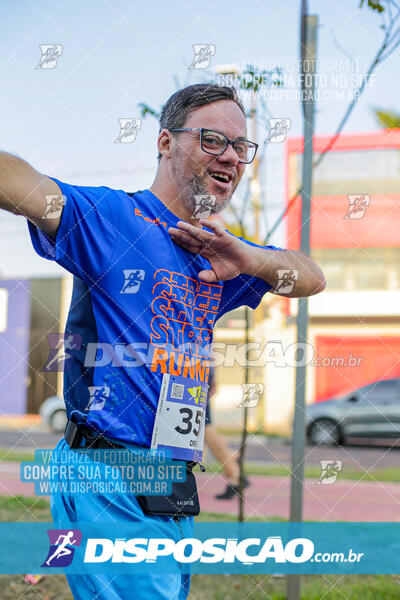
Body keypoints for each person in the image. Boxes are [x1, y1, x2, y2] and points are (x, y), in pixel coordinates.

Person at [0, 83, 326, 599]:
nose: (231, 157)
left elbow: (310, 278)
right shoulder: (114, 218)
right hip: (113, 473)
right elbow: (20, 184)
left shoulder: (218, 253)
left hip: (172, 477)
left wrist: (250, 257)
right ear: (165, 143)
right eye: (214, 139)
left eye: (242, 147)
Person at [204, 368, 250, 499]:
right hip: (198, 370)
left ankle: (235, 474)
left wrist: (212, 376)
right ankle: (233, 467)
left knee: (204, 426)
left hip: (196, 372)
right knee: (203, 427)